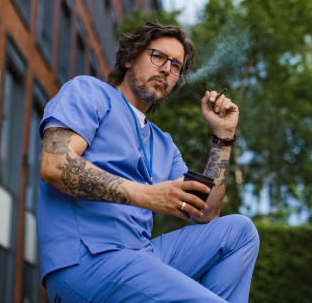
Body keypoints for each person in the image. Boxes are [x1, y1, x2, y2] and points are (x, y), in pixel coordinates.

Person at [37, 21, 259, 303]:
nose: (167, 69)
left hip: (142, 258)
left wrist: (223, 137)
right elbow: (54, 164)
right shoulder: (87, 91)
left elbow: (205, 212)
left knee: (240, 232)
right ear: (129, 58)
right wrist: (148, 196)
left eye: (176, 65)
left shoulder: (163, 143)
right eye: (158, 56)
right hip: (86, 261)